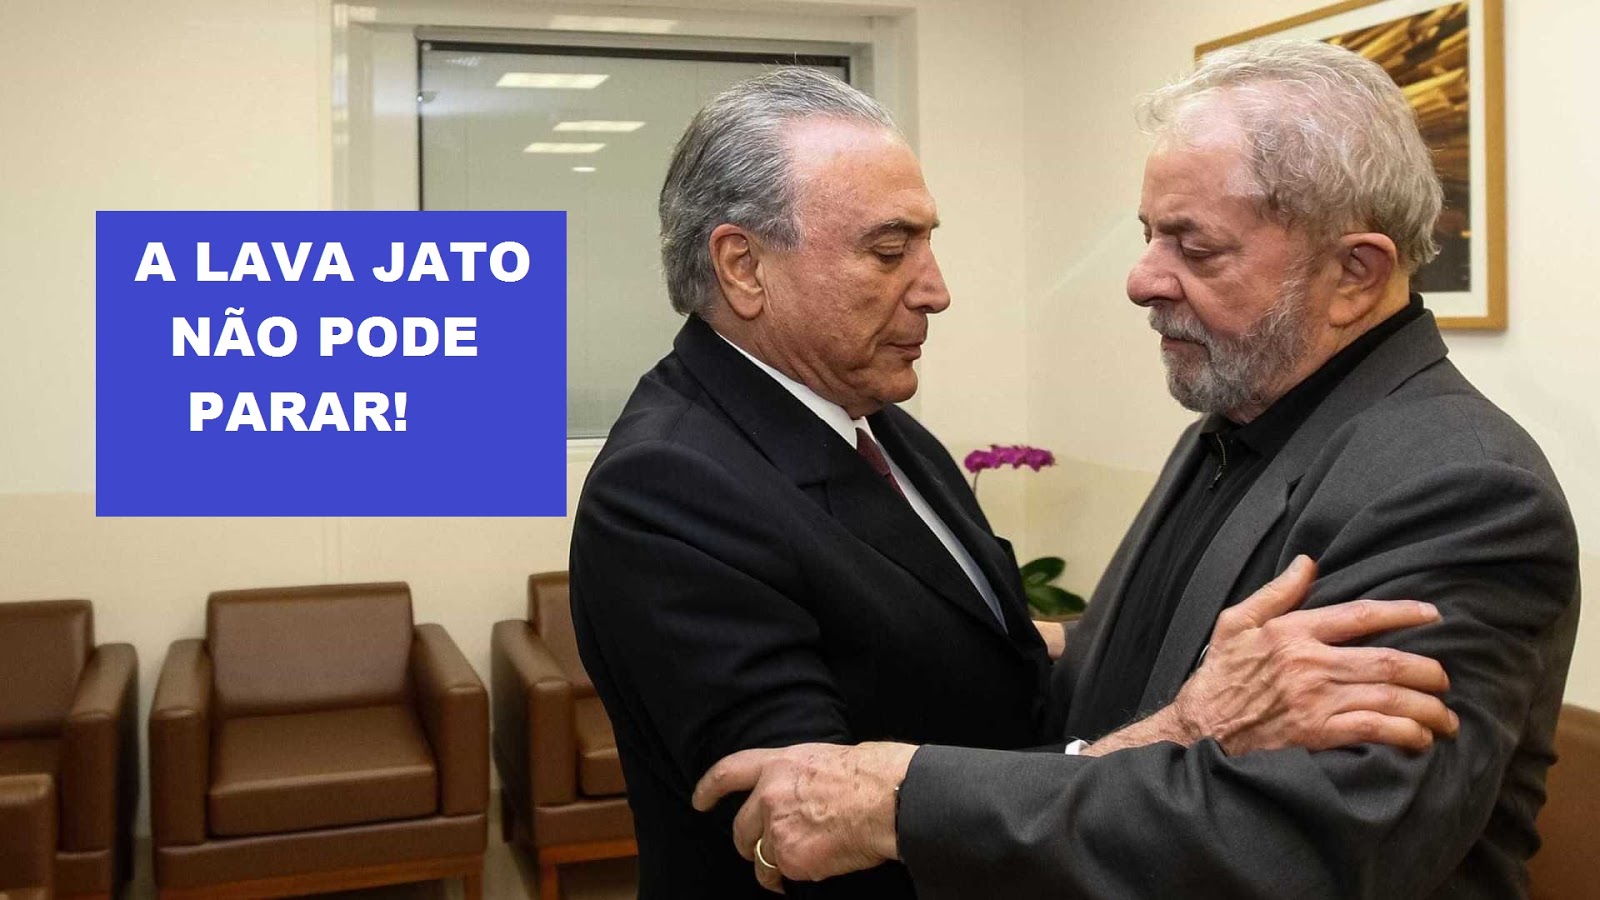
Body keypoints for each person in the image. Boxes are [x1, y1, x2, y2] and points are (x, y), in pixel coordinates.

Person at [695, 41, 1580, 899]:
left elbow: (1307, 843)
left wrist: (899, 800)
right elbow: (1131, 673)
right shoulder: (1240, 418)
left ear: (1354, 273)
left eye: (1196, 248)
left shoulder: (1461, 490)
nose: (1142, 278)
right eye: (1151, 235)